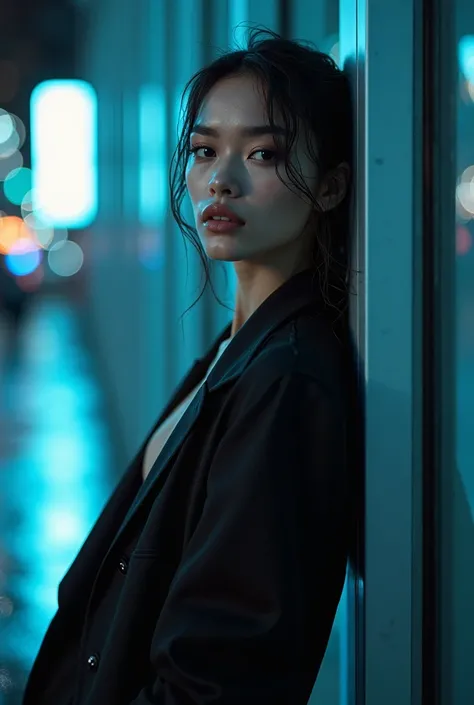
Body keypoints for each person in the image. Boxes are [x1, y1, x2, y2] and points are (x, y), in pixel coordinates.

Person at [22, 26, 355, 705]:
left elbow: (220, 681)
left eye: (263, 153)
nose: (220, 181)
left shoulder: (287, 380)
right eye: (205, 151)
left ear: (330, 187)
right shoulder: (237, 354)